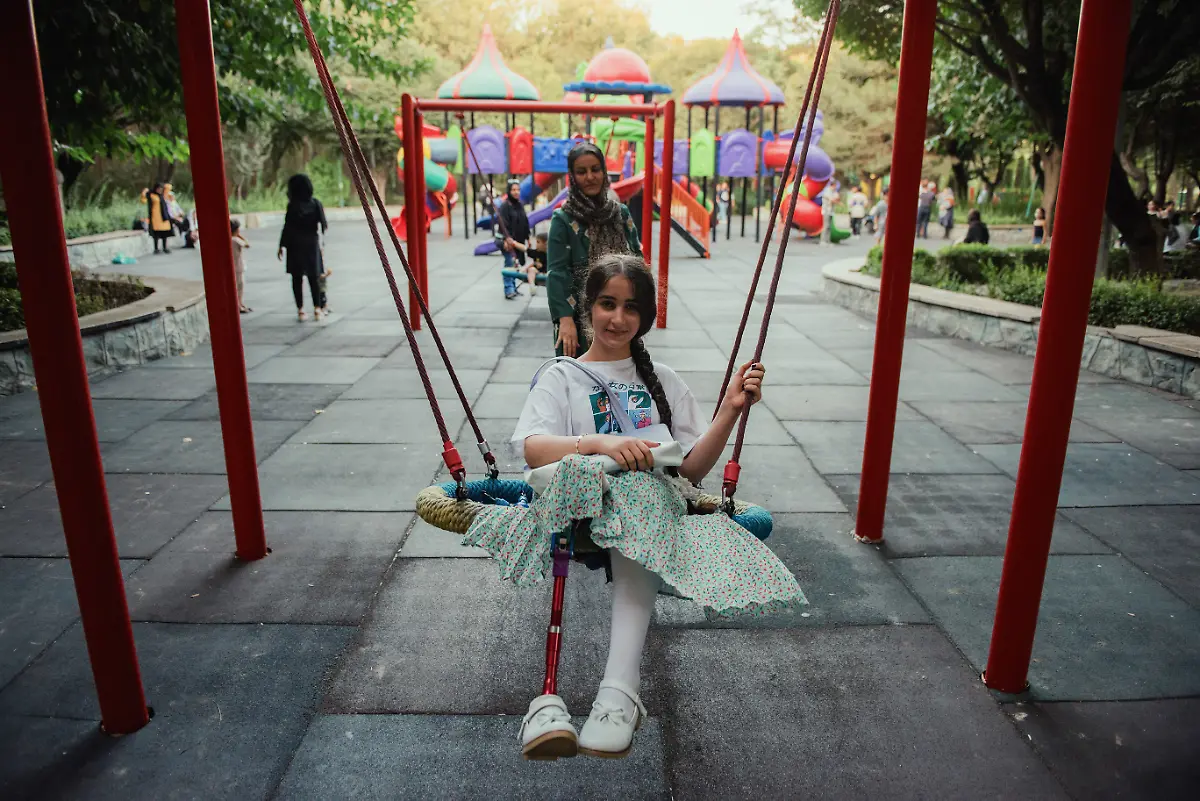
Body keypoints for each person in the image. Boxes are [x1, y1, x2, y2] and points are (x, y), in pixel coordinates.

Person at [475, 253, 802, 760]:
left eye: (631, 308)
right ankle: (582, 694)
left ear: (644, 316)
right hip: (577, 503)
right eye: (607, 304)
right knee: (633, 491)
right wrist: (601, 445)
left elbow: (690, 470)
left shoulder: (664, 381)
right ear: (588, 307)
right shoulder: (562, 376)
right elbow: (535, 448)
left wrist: (732, 410)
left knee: (645, 493)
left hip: (644, 510)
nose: (617, 318)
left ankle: (617, 693)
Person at [546, 142, 642, 358]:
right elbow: (557, 272)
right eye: (581, 172)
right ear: (572, 176)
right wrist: (565, 319)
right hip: (578, 320)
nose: (590, 177)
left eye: (595, 169)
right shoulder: (563, 219)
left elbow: (637, 263)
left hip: (620, 317)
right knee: (577, 383)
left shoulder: (621, 214)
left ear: (604, 172)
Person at [277, 173, 328, 322]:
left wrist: (281, 245)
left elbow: (287, 227)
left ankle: (300, 310)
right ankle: (317, 308)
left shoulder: (292, 206)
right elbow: (324, 226)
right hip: (312, 243)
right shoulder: (316, 204)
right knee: (314, 277)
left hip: (295, 244)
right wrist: (322, 245)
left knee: (296, 278)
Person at [497, 180, 532, 300]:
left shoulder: (520, 205)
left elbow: (525, 222)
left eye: (518, 190)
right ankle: (509, 289)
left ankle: (513, 287)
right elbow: (503, 224)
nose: (516, 192)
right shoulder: (505, 206)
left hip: (519, 240)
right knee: (510, 263)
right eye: (513, 190)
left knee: (517, 264)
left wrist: (528, 237)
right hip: (509, 241)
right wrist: (507, 239)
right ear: (509, 191)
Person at [230, 219, 252, 313]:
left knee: (237, 286)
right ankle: (239, 305)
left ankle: (239, 303)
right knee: (239, 286)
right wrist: (240, 236)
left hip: (233, 266)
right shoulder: (236, 240)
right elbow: (247, 245)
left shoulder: (229, 239)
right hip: (238, 266)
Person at [147, 183, 174, 254]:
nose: (160, 190)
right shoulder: (152, 195)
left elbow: (168, 188)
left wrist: (165, 186)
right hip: (156, 217)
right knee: (156, 234)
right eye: (158, 188)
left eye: (161, 189)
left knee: (165, 233)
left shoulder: (162, 196)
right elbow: (144, 199)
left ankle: (165, 248)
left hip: (164, 217)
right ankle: (156, 249)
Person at [819, 181, 839, 246]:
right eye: (835, 186)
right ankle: (822, 241)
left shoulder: (834, 192)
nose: (835, 187)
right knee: (826, 226)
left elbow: (837, 198)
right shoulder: (827, 191)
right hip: (826, 211)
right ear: (832, 185)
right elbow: (832, 199)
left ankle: (827, 241)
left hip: (831, 211)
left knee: (829, 227)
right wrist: (835, 200)